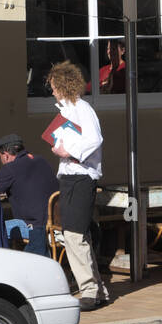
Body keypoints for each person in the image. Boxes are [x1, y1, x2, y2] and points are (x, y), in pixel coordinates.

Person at [47, 61, 110, 311]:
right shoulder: (67, 111)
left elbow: (95, 139)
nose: (51, 91)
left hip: (81, 177)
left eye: (53, 86)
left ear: (63, 86)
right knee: (75, 234)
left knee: (74, 235)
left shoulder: (82, 109)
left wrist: (67, 150)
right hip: (70, 176)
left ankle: (90, 290)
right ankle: (98, 289)